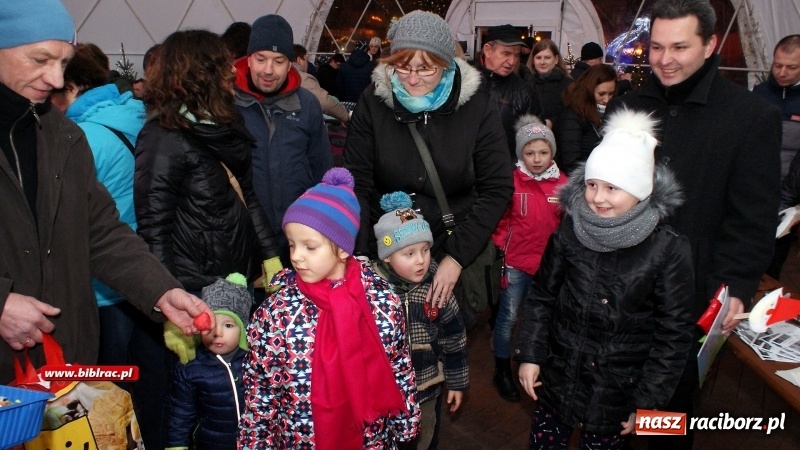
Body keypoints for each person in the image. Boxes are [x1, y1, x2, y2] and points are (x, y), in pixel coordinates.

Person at [0, 0, 213, 387]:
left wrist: (160, 290)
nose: (54, 78)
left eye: (63, 63)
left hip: (62, 363)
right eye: (40, 59)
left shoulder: (64, 137)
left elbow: (100, 230)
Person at [605, 1, 782, 448]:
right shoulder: (627, 108)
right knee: (610, 408)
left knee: (669, 414)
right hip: (619, 290)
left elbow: (752, 219)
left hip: (690, 297)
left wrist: (734, 289)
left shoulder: (750, 117)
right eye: (658, 46)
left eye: (680, 46)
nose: (665, 59)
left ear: (709, 45)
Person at [515, 109, 695, 449]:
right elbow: (542, 297)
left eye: (613, 188)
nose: (598, 198)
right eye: (592, 185)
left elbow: (673, 335)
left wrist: (647, 400)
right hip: (559, 380)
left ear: (639, 190)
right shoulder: (569, 232)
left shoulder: (668, 250)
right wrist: (530, 354)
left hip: (615, 396)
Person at [343, 10, 513, 315]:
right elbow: (358, 181)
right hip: (387, 249)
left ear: (446, 65)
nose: (411, 79)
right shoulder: (373, 102)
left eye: (426, 69)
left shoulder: (476, 106)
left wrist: (457, 257)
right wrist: (363, 254)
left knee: (447, 345)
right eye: (402, 67)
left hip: (452, 244)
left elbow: (498, 187)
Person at [239, 168, 420, 448]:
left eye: (310, 247)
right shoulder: (278, 315)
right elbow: (261, 391)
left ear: (343, 249)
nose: (296, 257)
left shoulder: (382, 304)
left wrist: (406, 429)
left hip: (370, 440)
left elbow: (399, 369)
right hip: (302, 439)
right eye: (291, 245)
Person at [135, 29, 281, 295]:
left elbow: (248, 197)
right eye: (222, 67)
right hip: (195, 285)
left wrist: (271, 259)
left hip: (240, 275)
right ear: (200, 76)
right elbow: (155, 229)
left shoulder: (227, 123)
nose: (232, 74)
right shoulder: (162, 137)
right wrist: (168, 295)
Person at [371, 191, 468, 449]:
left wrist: (457, 382)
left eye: (425, 249)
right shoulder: (370, 291)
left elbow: (454, 337)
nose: (421, 260)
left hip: (426, 386)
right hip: (382, 392)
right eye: (409, 253)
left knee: (425, 438)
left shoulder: (437, 288)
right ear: (387, 256)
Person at [234, 14, 332, 263]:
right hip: (244, 237)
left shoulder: (307, 104)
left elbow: (322, 169)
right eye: (261, 59)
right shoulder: (228, 104)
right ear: (248, 59)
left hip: (297, 236)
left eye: (278, 61)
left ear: (290, 64)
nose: (268, 70)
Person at [490, 115, 567, 402]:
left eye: (543, 152)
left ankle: (537, 365)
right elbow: (499, 218)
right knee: (508, 319)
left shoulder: (562, 185)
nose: (537, 159)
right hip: (515, 264)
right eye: (530, 152)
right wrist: (501, 245)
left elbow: (566, 227)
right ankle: (502, 369)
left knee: (542, 319)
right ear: (521, 153)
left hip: (548, 268)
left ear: (552, 153)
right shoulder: (510, 182)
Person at [166, 274, 252, 450]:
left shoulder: (256, 361)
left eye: (228, 325)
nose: (218, 333)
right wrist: (177, 445)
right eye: (210, 326)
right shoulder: (191, 368)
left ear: (243, 330)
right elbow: (181, 413)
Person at [754, 34, 800, 280]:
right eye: (777, 65)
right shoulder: (760, 93)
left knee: (773, 256)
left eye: (791, 67)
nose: (782, 72)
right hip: (755, 186)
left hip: (788, 194)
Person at [477, 24, 542, 159]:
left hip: (504, 170)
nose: (512, 61)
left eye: (516, 55)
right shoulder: (464, 82)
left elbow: (533, 141)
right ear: (488, 50)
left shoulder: (524, 92)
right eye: (506, 53)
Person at [556, 64, 617, 175]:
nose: (606, 99)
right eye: (601, 94)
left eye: (611, 94)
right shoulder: (572, 116)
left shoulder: (610, 113)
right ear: (589, 90)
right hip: (583, 182)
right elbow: (571, 161)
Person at [293, 44, 349, 124]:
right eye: (306, 60)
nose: (307, 64)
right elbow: (325, 102)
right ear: (299, 60)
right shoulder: (302, 78)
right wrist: (346, 116)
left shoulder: (279, 75)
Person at [525, 39, 572, 127]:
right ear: (533, 60)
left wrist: (553, 122)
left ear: (556, 59)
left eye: (547, 57)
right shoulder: (525, 83)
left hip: (559, 136)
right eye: (538, 57)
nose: (542, 62)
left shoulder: (568, 84)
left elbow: (572, 113)